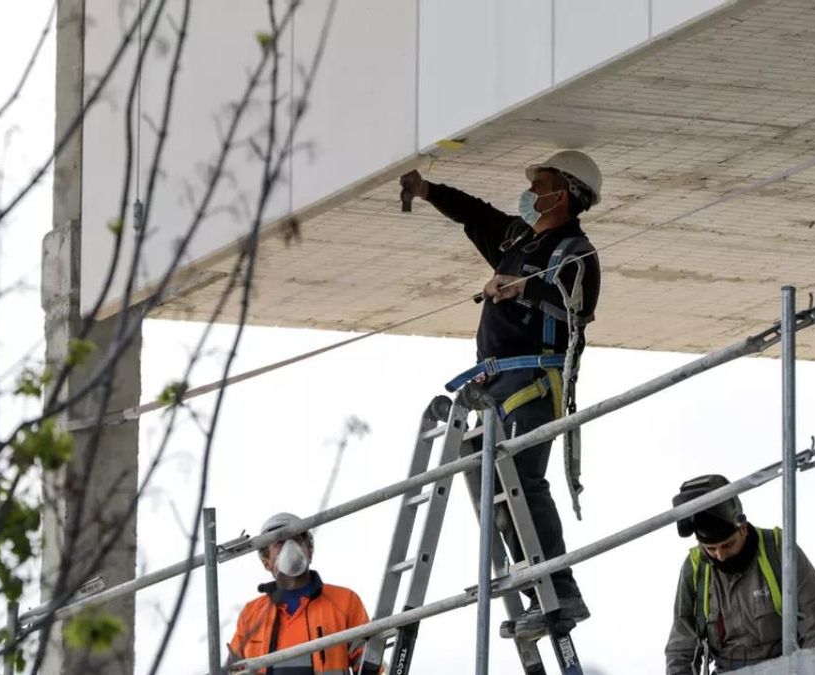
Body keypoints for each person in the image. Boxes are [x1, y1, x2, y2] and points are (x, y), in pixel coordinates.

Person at [399, 150, 603, 639]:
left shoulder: (575, 252)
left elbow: (577, 316)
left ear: (566, 193)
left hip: (535, 380)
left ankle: (562, 593)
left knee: (524, 485)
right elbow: (476, 214)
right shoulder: (518, 239)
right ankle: (540, 593)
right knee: (498, 494)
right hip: (496, 382)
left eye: (541, 184)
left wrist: (524, 291)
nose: (531, 192)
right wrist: (428, 192)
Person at [665, 475, 815, 673]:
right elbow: (681, 647)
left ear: (743, 528)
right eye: (711, 549)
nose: (720, 555)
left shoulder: (780, 549)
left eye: (727, 545)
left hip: (784, 668)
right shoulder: (695, 568)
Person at [228, 512, 372, 674]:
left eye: (297, 539)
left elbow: (369, 662)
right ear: (266, 561)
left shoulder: (345, 601)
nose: (290, 547)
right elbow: (235, 669)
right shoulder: (252, 614)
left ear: (310, 551)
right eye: (280, 543)